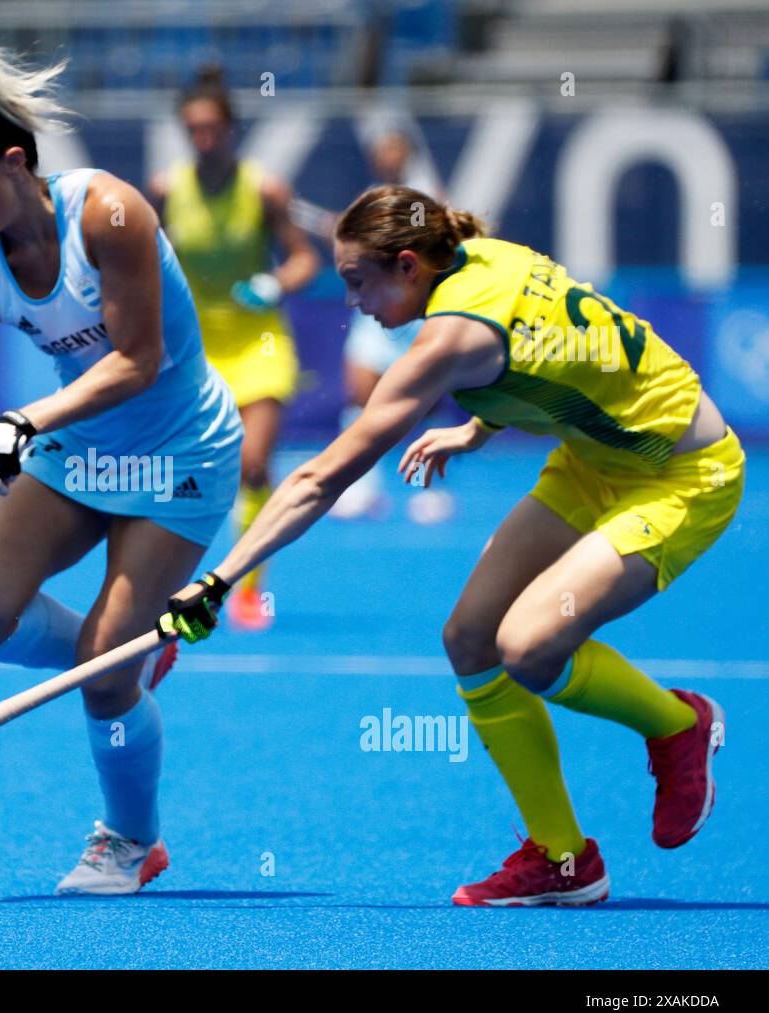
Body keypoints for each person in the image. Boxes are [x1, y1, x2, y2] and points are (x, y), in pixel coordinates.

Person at [161, 184, 743, 907]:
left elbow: (320, 477)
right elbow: (561, 349)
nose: (351, 302)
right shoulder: (483, 257)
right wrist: (478, 428)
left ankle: (679, 725)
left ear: (408, 266)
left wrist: (218, 580)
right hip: (591, 459)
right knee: (471, 637)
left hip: (683, 472)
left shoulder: (445, 342)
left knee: (528, 646)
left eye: (356, 282)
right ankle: (563, 857)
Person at [0, 33, 243, 895]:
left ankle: (132, 839)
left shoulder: (111, 212)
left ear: (12, 162)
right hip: (83, 455)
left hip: (181, 458)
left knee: (104, 675)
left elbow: (137, 358)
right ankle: (120, 658)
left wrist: (27, 419)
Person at [148, 65, 319, 631]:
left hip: (260, 342)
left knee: (253, 465)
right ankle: (166, 579)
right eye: (193, 128)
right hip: (195, 349)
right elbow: (144, 261)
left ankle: (246, 589)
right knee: (184, 471)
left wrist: (276, 283)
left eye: (213, 128)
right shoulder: (165, 191)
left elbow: (304, 259)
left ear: (231, 129)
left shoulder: (266, 190)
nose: (204, 138)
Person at [333, 129, 453, 523]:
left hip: (414, 312)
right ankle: (361, 488)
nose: (385, 155)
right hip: (373, 310)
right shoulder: (371, 198)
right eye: (381, 148)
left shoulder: (425, 197)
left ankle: (426, 487)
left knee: (423, 403)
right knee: (360, 396)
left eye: (393, 147)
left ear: (407, 153)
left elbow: (436, 244)